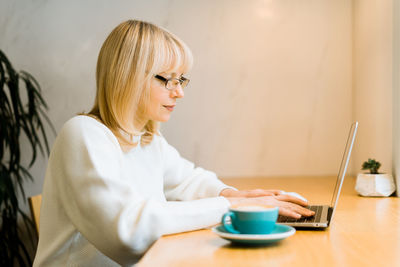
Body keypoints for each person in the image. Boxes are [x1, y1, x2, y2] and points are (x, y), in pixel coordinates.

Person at [33, 20, 314, 267]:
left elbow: (189, 181)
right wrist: (227, 204)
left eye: (181, 80)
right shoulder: (83, 134)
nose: (179, 92)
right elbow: (126, 232)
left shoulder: (147, 139)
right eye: (168, 80)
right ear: (129, 77)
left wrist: (240, 196)